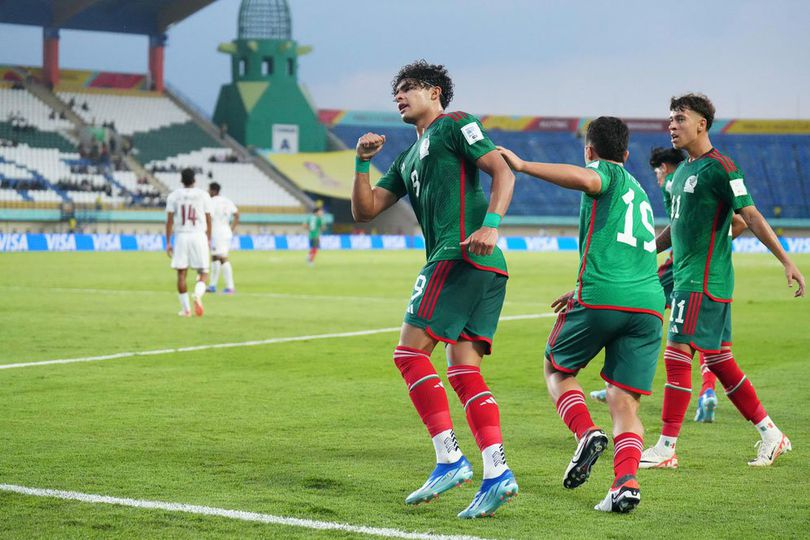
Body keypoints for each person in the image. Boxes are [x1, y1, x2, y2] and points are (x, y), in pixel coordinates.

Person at [351, 60, 518, 519]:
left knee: (409, 355)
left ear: (434, 92)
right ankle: (496, 472)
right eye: (396, 93)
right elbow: (366, 210)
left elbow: (502, 171)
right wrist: (362, 163)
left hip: (459, 252)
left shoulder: (454, 124)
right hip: (484, 268)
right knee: (464, 371)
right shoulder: (408, 158)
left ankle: (449, 458)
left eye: (407, 89)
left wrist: (492, 226)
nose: (399, 98)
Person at [499, 117, 665, 513]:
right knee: (623, 402)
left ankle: (585, 432)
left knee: (556, 370)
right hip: (649, 305)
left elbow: (589, 180)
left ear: (589, 151)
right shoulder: (640, 191)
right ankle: (625, 482)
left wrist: (523, 166)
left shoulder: (601, 173)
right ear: (627, 153)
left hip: (604, 295)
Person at [641, 93, 805, 469]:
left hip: (701, 281)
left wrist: (785, 260)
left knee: (677, 353)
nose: (672, 125)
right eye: (670, 119)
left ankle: (666, 447)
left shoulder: (721, 168)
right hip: (688, 277)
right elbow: (676, 227)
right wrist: (646, 249)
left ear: (702, 124)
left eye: (680, 119)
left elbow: (750, 215)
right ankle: (771, 434)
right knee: (719, 360)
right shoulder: (681, 172)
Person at [165, 168, 212, 317]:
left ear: (181, 180)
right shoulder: (203, 195)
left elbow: (169, 221)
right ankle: (197, 295)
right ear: (194, 180)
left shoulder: (173, 196)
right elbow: (209, 218)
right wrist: (209, 238)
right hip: (198, 235)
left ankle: (186, 310)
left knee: (181, 274)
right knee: (204, 272)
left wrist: (168, 242)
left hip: (181, 236)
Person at [207, 182, 239, 294]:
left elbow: (208, 218)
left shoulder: (212, 201)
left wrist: (207, 233)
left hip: (217, 233)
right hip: (226, 231)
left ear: (213, 191)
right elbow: (237, 214)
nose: (208, 192)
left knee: (222, 257)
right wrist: (232, 228)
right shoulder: (227, 200)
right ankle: (212, 285)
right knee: (215, 257)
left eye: (209, 190)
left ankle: (230, 287)